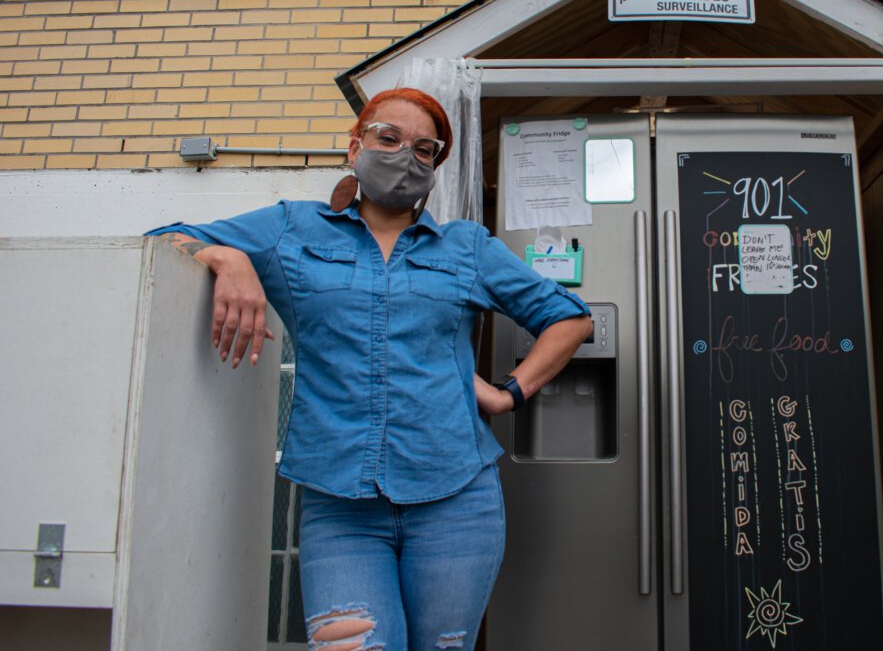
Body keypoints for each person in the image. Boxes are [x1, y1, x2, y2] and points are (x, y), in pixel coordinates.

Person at [148, 87, 592, 651]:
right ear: (355, 148)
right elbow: (164, 239)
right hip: (341, 508)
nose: (406, 155)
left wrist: (509, 394)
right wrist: (228, 257)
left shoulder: (465, 247)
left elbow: (569, 318)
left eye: (425, 149)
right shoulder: (290, 229)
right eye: (390, 138)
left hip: (458, 500)